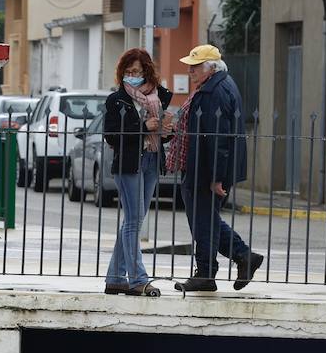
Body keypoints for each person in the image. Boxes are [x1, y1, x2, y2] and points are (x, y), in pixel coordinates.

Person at [165, 45, 263, 292]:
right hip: (201, 167)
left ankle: (208, 272)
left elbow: (218, 139)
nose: (190, 71)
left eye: (195, 66)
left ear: (211, 67)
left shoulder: (215, 91)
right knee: (206, 220)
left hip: (204, 171)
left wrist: (217, 177)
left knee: (203, 222)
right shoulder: (216, 86)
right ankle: (242, 257)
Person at [103, 49, 172, 297]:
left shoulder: (158, 96)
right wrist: (143, 127)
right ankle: (138, 279)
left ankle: (115, 278)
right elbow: (111, 135)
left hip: (152, 160)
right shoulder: (117, 99)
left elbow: (164, 134)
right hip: (129, 164)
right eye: (128, 72)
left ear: (147, 72)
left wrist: (166, 129)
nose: (132, 76)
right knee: (133, 221)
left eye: (137, 72)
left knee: (134, 220)